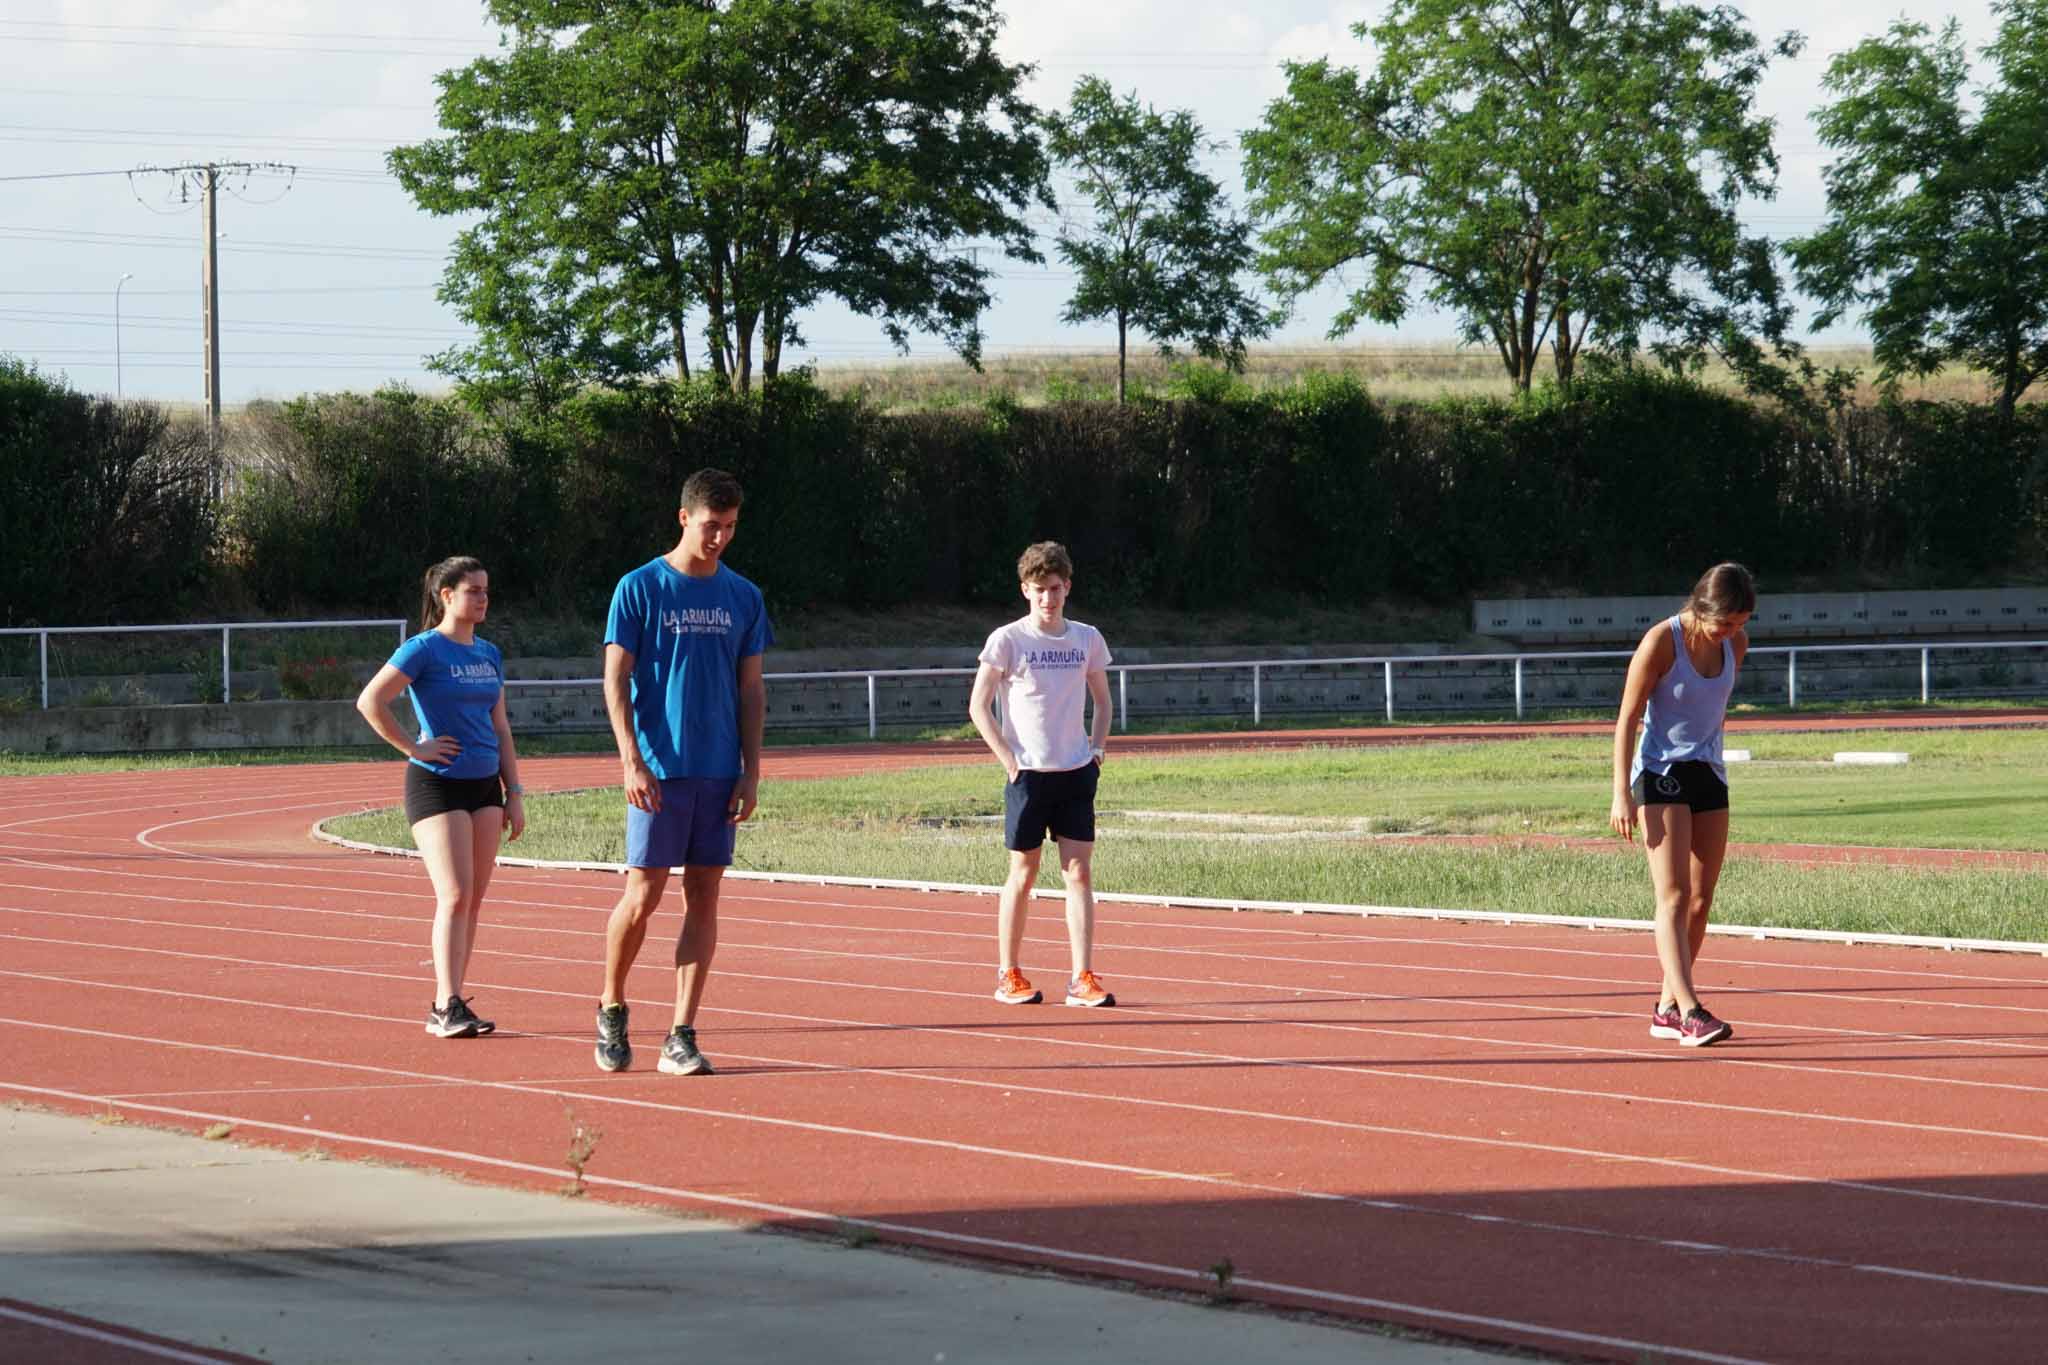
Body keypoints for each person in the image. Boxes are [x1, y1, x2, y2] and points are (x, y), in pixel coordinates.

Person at [594, 468, 772, 1076]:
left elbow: (751, 690)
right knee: (642, 897)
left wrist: (751, 771)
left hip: (719, 770)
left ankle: (681, 1031)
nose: (718, 537)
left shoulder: (744, 596)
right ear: (683, 518)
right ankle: (613, 1005)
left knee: (705, 895)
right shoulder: (639, 588)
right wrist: (630, 760)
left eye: (728, 527)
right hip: (659, 771)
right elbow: (616, 678)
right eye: (708, 525)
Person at [356, 555, 526, 1039]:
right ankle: (444, 1004)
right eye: (472, 590)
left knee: (472, 900)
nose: (482, 598)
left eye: (485, 590)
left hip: (485, 785)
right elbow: (371, 700)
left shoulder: (489, 653)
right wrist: (414, 746)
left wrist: (513, 792)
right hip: (437, 783)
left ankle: (455, 1000)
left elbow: (501, 728)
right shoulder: (423, 650)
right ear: (446, 595)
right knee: (453, 894)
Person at [1610, 561, 1756, 1048]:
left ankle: (1667, 1006)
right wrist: (1620, 794)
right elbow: (1628, 718)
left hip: (1708, 772)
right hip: (1659, 772)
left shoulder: (1735, 644)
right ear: (1701, 608)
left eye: (1740, 624)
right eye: (1726, 623)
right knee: (1671, 894)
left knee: (1700, 899)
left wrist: (1732, 635)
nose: (1733, 633)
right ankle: (1691, 1011)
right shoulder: (1661, 641)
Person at [968, 541, 1116, 1009]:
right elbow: (978, 706)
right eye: (1038, 590)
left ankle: (1082, 977)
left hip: (1075, 771)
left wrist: (1097, 750)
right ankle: (1008, 973)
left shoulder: (1086, 638)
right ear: (1025, 591)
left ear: (1067, 587)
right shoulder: (1007, 640)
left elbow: (1104, 700)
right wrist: (1010, 762)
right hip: (1028, 775)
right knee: (1023, 872)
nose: (1048, 599)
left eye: (1055, 589)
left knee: (1079, 872)